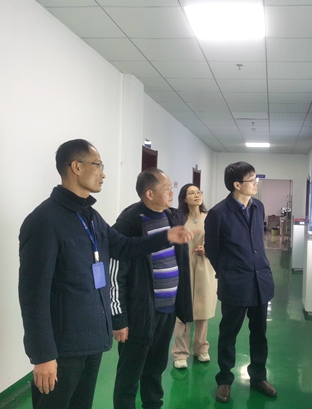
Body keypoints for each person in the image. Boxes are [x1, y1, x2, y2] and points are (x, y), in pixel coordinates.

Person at [18, 139, 193, 409]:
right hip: (63, 346)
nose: (103, 173)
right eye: (98, 165)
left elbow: (124, 247)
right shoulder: (44, 220)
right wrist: (42, 355)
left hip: (91, 340)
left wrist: (166, 237)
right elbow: (33, 295)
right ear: (76, 167)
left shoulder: (90, 216)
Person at [110, 168, 193, 409]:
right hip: (140, 312)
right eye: (166, 188)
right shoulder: (129, 223)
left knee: (156, 370)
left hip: (167, 310)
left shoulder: (173, 217)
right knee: (129, 376)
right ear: (149, 193)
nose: (172, 192)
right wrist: (119, 319)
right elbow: (115, 274)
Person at [205, 161, 277, 403]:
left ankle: (258, 377)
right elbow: (212, 250)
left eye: (256, 178)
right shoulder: (218, 213)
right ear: (237, 185)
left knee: (259, 334)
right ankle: (224, 380)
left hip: (260, 281)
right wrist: (227, 272)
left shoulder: (258, 206)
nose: (256, 183)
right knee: (228, 334)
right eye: (252, 179)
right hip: (235, 283)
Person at [171, 184, 218, 369]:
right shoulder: (178, 219)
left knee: (202, 310)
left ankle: (201, 348)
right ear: (184, 198)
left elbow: (219, 241)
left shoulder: (209, 218)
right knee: (183, 311)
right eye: (192, 193)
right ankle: (180, 353)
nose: (197, 195)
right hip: (183, 267)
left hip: (204, 267)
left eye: (198, 192)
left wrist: (207, 249)